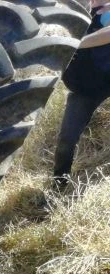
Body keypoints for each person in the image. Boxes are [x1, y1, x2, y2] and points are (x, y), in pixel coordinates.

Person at [53, 0, 110, 187]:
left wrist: (74, 44)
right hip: (86, 88)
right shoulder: (83, 8)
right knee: (66, 141)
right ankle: (59, 186)